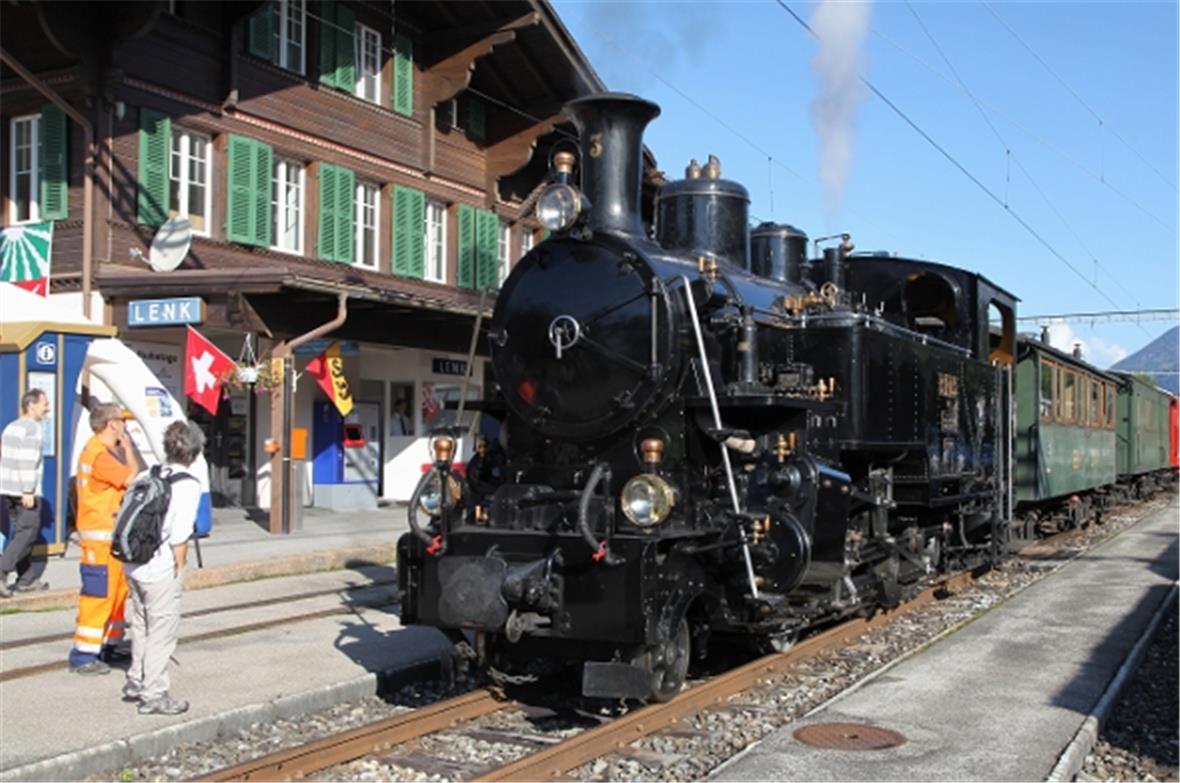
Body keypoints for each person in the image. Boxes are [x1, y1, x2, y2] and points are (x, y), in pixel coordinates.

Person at [123, 421, 203, 715]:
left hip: (132, 564)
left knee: (141, 623)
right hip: (159, 568)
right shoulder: (188, 485)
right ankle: (154, 692)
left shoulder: (149, 473)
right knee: (162, 630)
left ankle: (136, 679)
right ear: (194, 452)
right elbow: (180, 536)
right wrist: (179, 569)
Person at [70, 403, 138, 675]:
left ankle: (109, 644)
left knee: (117, 592)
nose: (125, 426)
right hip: (100, 540)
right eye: (122, 421)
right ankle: (83, 654)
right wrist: (130, 449)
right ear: (112, 425)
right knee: (99, 595)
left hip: (107, 539)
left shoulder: (100, 452)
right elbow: (131, 478)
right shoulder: (101, 456)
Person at [0, 389, 51, 596]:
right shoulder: (33, 429)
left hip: (8, 489)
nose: (47, 408)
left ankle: (27, 578)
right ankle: (2, 570)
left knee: (21, 532)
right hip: (24, 490)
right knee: (27, 533)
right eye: (44, 404)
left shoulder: (11, 427)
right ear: (32, 405)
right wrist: (28, 490)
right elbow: (27, 460)